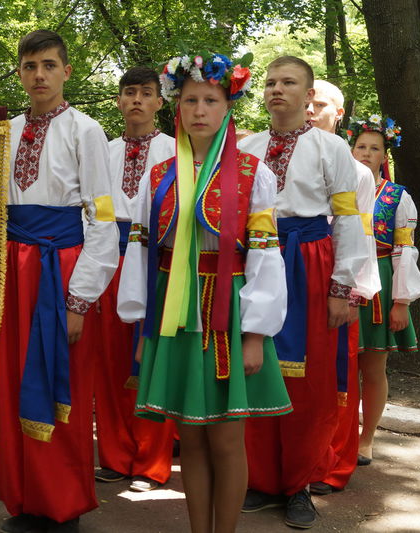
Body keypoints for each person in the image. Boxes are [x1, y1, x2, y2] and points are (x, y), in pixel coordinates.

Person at [117, 53, 291, 533]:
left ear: (227, 107)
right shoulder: (159, 176)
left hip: (228, 313)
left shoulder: (255, 173)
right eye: (190, 99)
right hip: (174, 314)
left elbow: (265, 257)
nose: (199, 110)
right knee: (189, 439)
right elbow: (141, 254)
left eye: (209, 100)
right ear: (177, 107)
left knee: (227, 440)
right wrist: (141, 324)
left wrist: (255, 333)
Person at [0, 30, 118, 533]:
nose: (38, 75)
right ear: (20, 73)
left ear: (66, 71)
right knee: (10, 381)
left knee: (60, 382)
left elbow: (104, 217)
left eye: (48, 65)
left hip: (59, 268)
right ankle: (23, 497)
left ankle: (62, 504)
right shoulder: (4, 130)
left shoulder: (85, 130)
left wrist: (79, 298)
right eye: (29, 66)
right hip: (11, 265)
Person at [238, 56, 366, 529]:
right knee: (254, 367)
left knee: (307, 379)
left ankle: (298, 483)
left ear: (308, 94)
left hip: (310, 263)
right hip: (256, 258)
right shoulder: (245, 146)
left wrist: (341, 287)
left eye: (288, 82)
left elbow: (349, 219)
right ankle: (260, 477)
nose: (277, 89)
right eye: (270, 82)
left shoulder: (331, 147)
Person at [92, 66, 175, 492]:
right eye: (130, 93)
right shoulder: (101, 151)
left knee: (151, 356)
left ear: (161, 102)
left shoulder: (176, 151)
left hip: (157, 259)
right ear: (120, 101)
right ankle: (114, 454)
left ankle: (151, 460)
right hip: (108, 253)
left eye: (146, 93)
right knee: (109, 357)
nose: (137, 100)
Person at [306, 80, 379, 495]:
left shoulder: (357, 172)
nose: (312, 110)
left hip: (339, 281)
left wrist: (353, 292)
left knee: (338, 375)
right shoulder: (286, 154)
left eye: (321, 105)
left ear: (339, 114)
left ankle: (333, 462)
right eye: (309, 103)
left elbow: (362, 236)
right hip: (298, 277)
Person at [347, 115, 420, 464]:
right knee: (339, 367)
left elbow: (404, 250)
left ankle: (366, 440)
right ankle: (339, 435)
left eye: (373, 148)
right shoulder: (337, 190)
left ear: (384, 156)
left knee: (372, 368)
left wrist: (401, 302)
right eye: (360, 146)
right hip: (342, 279)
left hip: (379, 284)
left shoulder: (396, 197)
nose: (365, 153)